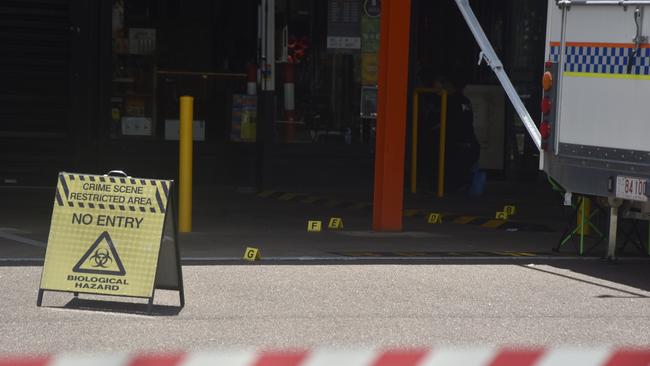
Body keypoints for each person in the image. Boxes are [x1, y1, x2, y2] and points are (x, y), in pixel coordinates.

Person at [433, 75, 480, 193]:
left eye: (438, 88)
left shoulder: (449, 101)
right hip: (467, 142)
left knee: (453, 170)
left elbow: (448, 123)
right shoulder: (464, 100)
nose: (436, 91)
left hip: (457, 143)